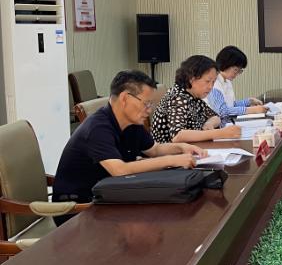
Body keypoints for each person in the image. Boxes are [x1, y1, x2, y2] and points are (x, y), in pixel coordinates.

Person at [52, 70, 207, 225]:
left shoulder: (131, 122)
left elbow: (154, 150)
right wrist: (172, 160)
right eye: (146, 103)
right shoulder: (97, 128)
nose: (149, 110)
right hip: (78, 208)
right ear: (125, 98)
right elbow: (119, 170)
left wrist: (182, 147)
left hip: (110, 195)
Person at [151, 55, 241, 143]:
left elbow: (216, 117)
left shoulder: (194, 96)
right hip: (170, 151)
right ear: (191, 78)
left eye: (213, 82)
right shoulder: (177, 97)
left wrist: (209, 123)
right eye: (207, 81)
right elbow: (178, 136)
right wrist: (219, 133)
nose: (210, 86)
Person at [206, 45, 266, 124]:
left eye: (239, 71)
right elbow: (223, 111)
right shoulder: (214, 84)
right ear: (226, 64)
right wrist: (250, 110)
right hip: (218, 127)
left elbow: (231, 105)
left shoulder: (227, 81)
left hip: (229, 123)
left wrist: (249, 101)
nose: (237, 74)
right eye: (236, 70)